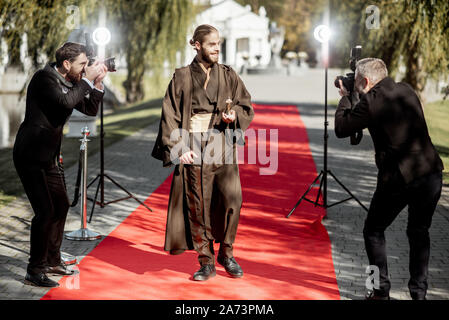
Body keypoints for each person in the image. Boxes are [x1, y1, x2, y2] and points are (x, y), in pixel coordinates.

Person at [334, 58, 443, 300]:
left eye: (359, 84)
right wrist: (357, 94)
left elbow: (342, 127)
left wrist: (345, 96)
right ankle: (419, 294)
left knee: (372, 230)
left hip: (399, 179)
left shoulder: (371, 102)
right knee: (419, 232)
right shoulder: (406, 89)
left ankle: (380, 291)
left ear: (365, 81)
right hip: (431, 172)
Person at [152, 24, 254, 281]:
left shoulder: (229, 75)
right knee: (199, 205)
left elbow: (245, 104)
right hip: (194, 146)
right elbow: (170, 114)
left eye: (218, 43)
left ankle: (227, 252)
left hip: (222, 142)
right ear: (196, 45)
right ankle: (206, 260)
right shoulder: (182, 76)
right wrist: (178, 148)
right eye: (211, 44)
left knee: (233, 200)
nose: (217, 48)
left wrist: (235, 116)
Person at [13, 42, 108, 287]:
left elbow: (88, 108)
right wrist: (86, 80)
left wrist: (96, 85)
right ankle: (34, 271)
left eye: (86, 64)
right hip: (30, 153)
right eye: (82, 64)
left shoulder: (70, 80)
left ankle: (53, 260)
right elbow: (65, 103)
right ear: (66, 64)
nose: (85, 68)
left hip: (50, 156)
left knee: (61, 205)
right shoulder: (44, 79)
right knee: (44, 211)